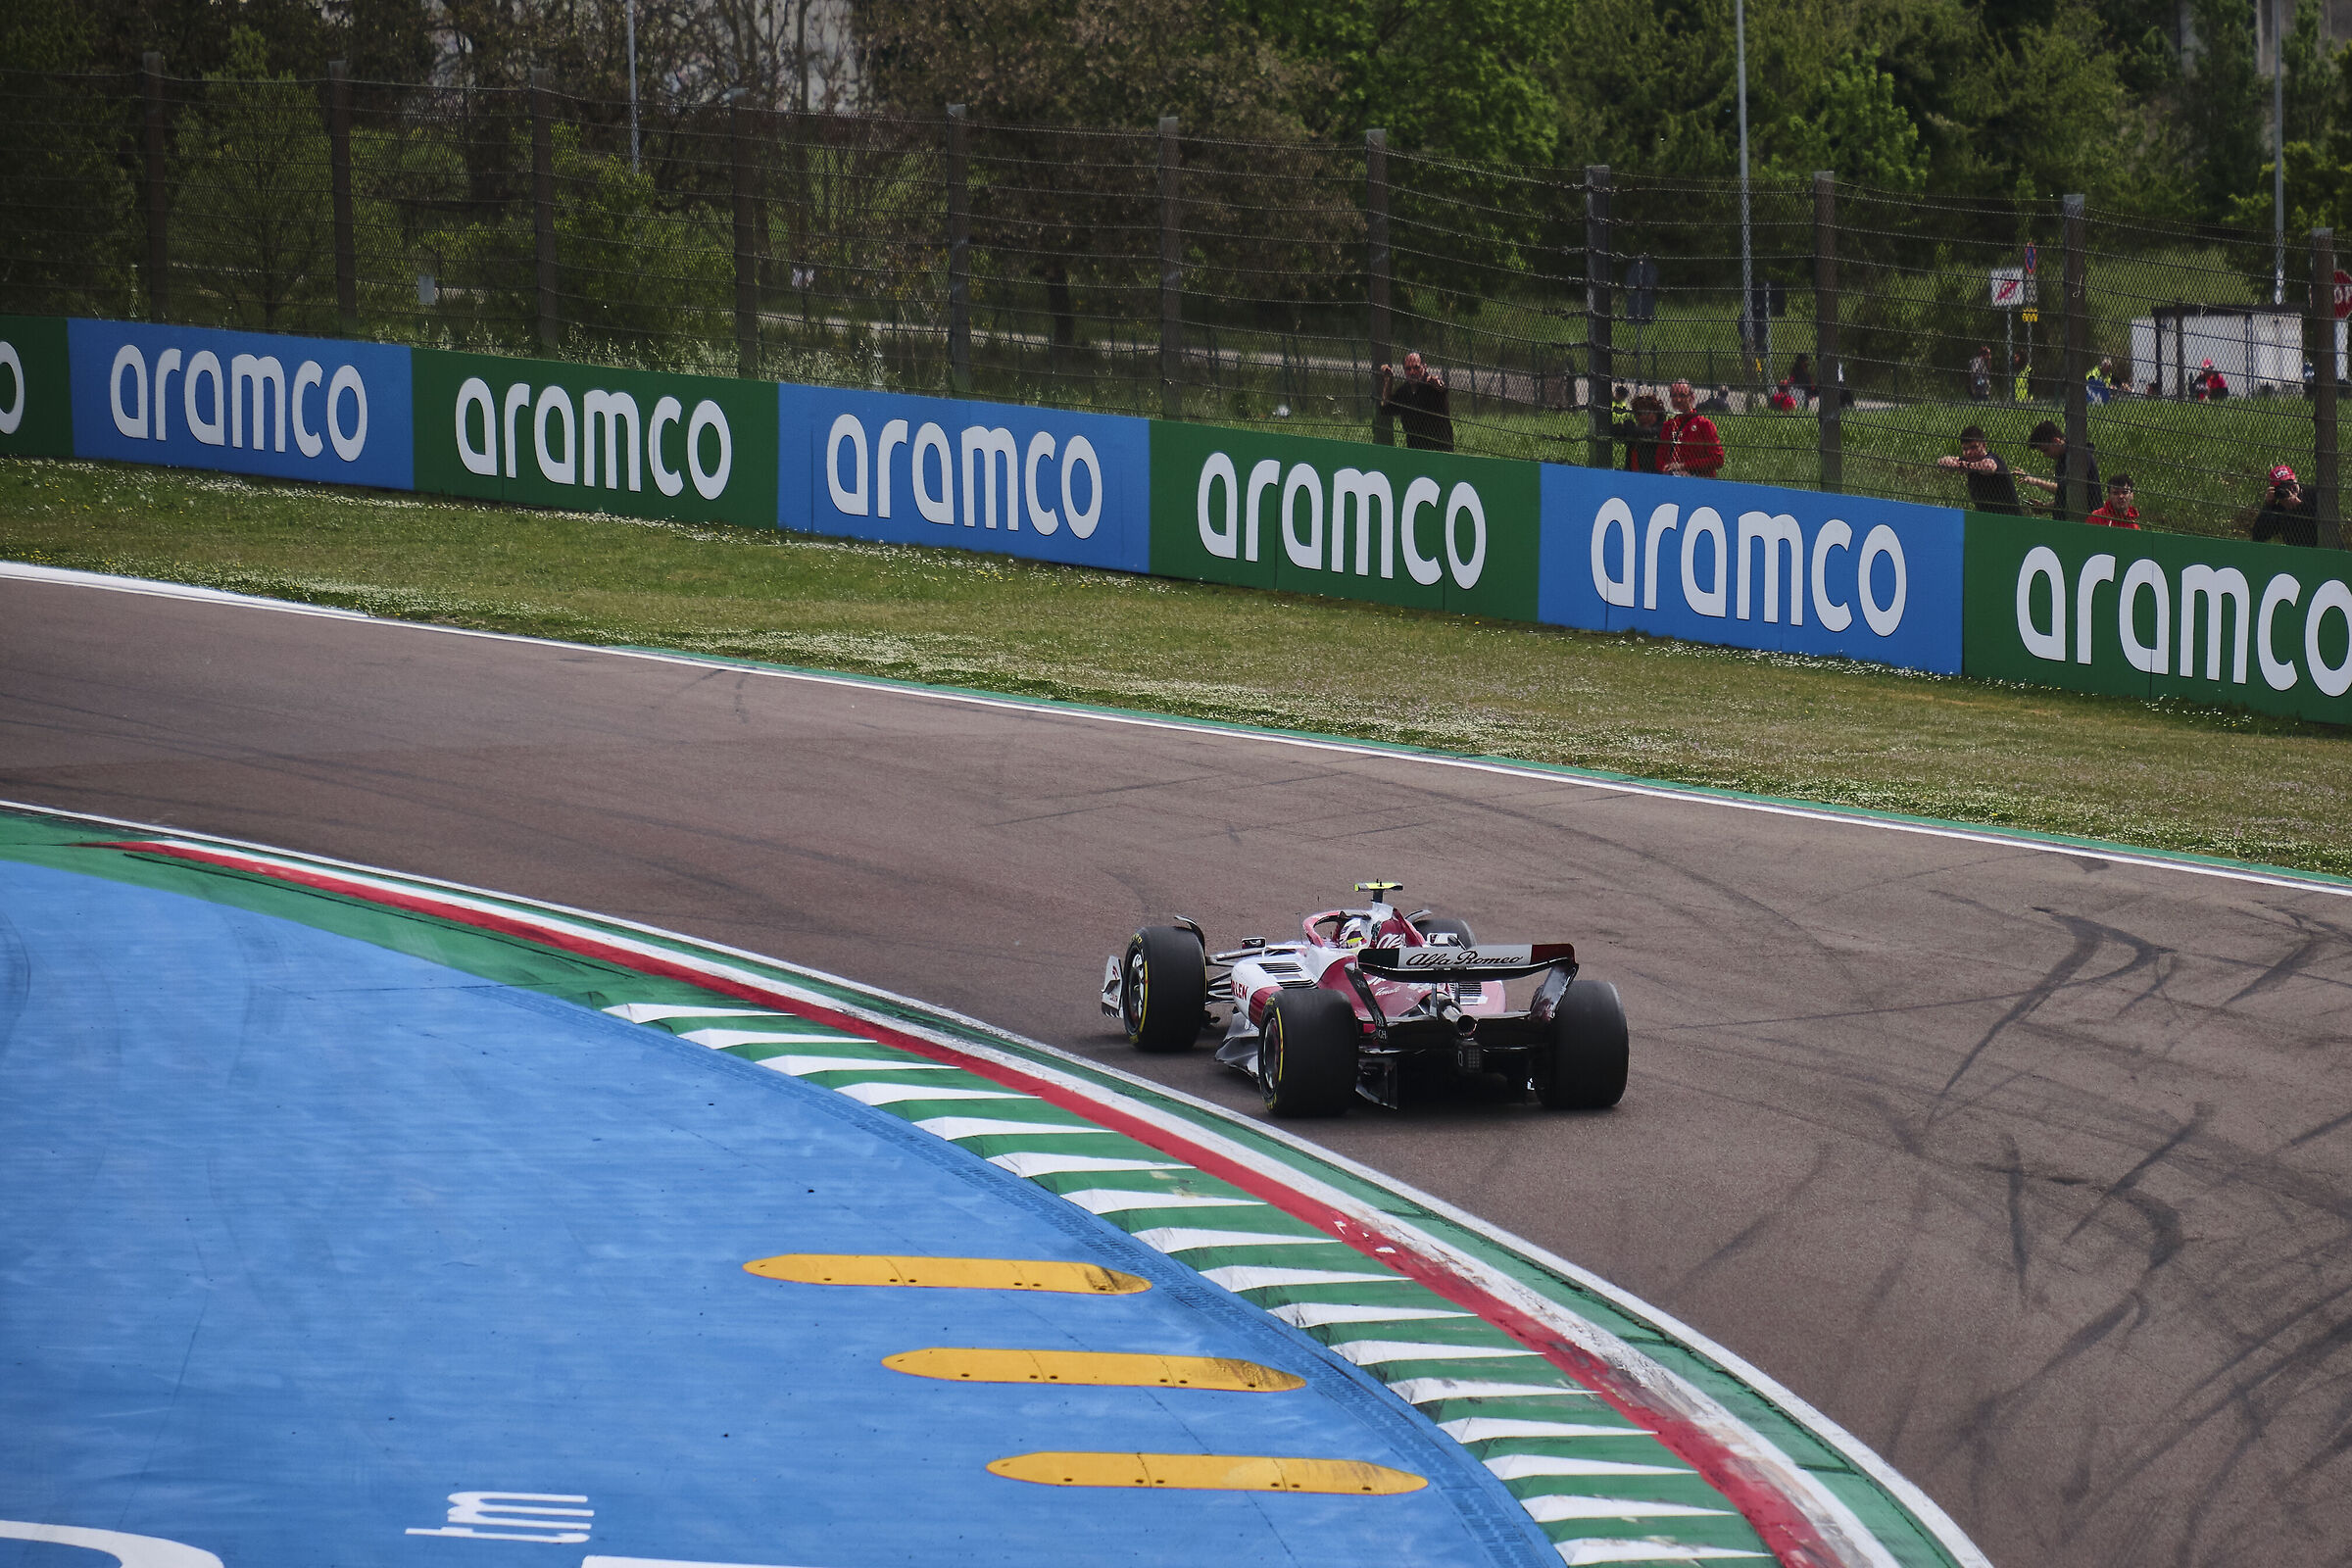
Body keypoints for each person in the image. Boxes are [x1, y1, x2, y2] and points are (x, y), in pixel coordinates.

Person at [2015, 419, 2101, 521]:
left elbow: (2069, 490)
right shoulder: (2062, 461)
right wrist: (2045, 507)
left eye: (2045, 450)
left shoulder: (2079, 458)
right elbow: (2066, 498)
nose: (2045, 455)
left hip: (2087, 521)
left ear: (2056, 441)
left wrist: (2035, 481)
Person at [1936, 425, 2024, 514]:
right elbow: (1942, 461)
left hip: (2008, 517)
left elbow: (1989, 467)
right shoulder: (1967, 461)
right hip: (1986, 517)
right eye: (1965, 449)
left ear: (1984, 445)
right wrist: (1955, 464)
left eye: (1974, 447)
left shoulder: (1992, 459)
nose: (1969, 452)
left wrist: (1967, 466)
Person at [1377, 352, 1454, 451]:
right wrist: (1389, 381)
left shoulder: (1431, 385)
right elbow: (1385, 408)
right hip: (1415, 447)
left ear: (1424, 367)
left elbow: (1441, 388)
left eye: (1416, 368)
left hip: (1439, 448)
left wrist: (1436, 384)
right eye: (1408, 369)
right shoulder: (1404, 391)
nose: (1412, 372)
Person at [1661, 380, 1724, 477]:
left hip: (1700, 479)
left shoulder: (1704, 425)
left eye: (1682, 395)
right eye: (1674, 396)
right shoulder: (1669, 425)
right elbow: (1661, 457)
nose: (1678, 400)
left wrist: (1684, 466)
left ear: (1692, 397)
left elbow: (1717, 459)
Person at [2251, 465, 2318, 547]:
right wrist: (2268, 506)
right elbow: (2258, 536)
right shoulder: (2279, 507)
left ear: (2295, 479)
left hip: (2319, 546)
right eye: (2282, 487)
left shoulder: (2313, 494)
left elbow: (2322, 520)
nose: (2289, 489)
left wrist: (2299, 505)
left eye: (2290, 484)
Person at [1615, 392, 1668, 473]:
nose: (1642, 417)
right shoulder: (1635, 431)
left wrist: (1630, 426)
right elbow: (1618, 431)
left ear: (1655, 412)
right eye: (1638, 414)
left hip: (1653, 475)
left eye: (1646, 413)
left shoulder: (1662, 428)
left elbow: (1647, 433)